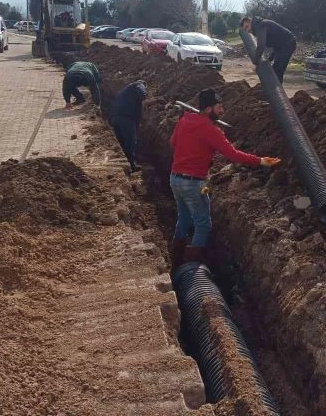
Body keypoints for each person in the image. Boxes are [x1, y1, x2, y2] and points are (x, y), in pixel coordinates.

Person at [169, 88, 281, 269]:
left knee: (184, 218)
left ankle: (175, 262)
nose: (222, 111)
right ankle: (190, 270)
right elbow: (233, 154)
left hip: (175, 179)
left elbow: (172, 143)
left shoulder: (184, 120)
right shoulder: (210, 130)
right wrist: (260, 161)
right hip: (193, 183)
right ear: (208, 110)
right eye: (219, 107)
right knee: (203, 224)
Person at [240, 16, 297, 83]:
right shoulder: (259, 25)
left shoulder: (260, 25)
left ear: (251, 22)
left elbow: (261, 45)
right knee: (276, 70)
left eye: (247, 27)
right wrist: (270, 58)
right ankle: (275, 91)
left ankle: (276, 92)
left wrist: (255, 62)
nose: (247, 30)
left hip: (288, 44)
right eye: (245, 29)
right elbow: (276, 42)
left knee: (277, 71)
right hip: (282, 45)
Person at [110, 80, 147, 173]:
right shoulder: (139, 84)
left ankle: (126, 162)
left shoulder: (124, 92)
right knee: (130, 142)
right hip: (126, 119)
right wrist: (145, 97)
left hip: (115, 118)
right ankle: (132, 165)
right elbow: (141, 91)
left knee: (122, 142)